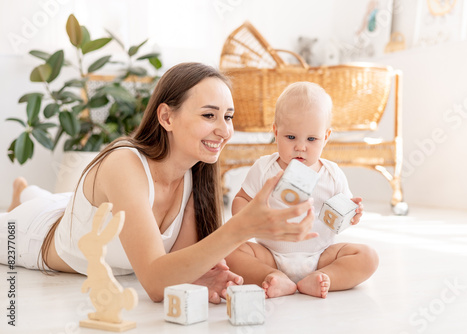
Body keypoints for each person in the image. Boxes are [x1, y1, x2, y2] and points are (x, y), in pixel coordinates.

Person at [0, 63, 317, 303]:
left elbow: (173, 270)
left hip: (68, 210)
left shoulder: (194, 178)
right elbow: (153, 281)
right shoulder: (124, 164)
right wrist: (243, 227)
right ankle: (22, 199)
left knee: (52, 200)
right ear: (166, 117)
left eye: (228, 117)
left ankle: (26, 192)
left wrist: (198, 279)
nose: (224, 130)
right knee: (29, 213)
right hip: (32, 234)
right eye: (209, 115)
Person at [225, 82, 379, 299]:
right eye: (291, 137)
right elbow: (241, 200)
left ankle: (323, 278)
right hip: (271, 253)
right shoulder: (264, 168)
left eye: (311, 139)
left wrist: (353, 214)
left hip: (321, 255)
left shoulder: (332, 173)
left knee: (367, 256)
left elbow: (343, 213)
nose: (300, 146)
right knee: (228, 252)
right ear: (276, 132)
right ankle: (273, 276)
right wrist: (250, 218)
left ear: (325, 137)